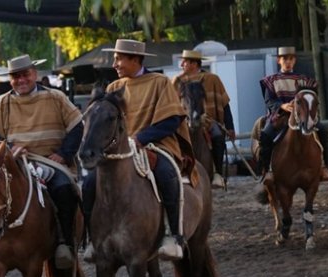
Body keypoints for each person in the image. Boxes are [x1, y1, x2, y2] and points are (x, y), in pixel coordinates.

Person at [83, 39, 199, 262]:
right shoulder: (113, 88)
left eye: (119, 59)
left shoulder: (160, 82)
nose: (114, 64)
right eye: (115, 59)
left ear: (135, 59)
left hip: (156, 145)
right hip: (118, 150)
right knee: (89, 183)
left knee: (166, 175)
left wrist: (141, 138)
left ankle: (174, 236)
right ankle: (92, 240)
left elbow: (173, 119)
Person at [0, 54, 83, 269]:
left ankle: (65, 243)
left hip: (51, 160)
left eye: (25, 74)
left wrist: (63, 154)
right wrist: (6, 148)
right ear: (10, 79)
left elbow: (77, 127)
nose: (21, 79)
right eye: (15, 76)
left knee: (64, 188)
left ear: (34, 74)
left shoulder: (56, 97)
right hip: (14, 163)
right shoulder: (0, 103)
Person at [258, 46, 328, 181]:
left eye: (291, 59)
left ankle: (326, 167)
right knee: (265, 135)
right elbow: (269, 101)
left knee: (323, 131)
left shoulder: (304, 80)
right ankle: (266, 170)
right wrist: (282, 105)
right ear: (278, 61)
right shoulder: (271, 81)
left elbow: (311, 98)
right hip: (280, 116)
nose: (288, 62)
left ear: (294, 61)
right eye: (284, 59)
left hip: (302, 116)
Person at [172, 49, 234, 189]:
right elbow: (170, 102)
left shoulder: (212, 79)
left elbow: (224, 104)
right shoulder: (178, 81)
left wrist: (230, 127)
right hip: (183, 122)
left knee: (217, 136)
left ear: (194, 64)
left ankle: (217, 173)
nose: (182, 64)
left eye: (185, 62)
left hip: (208, 120)